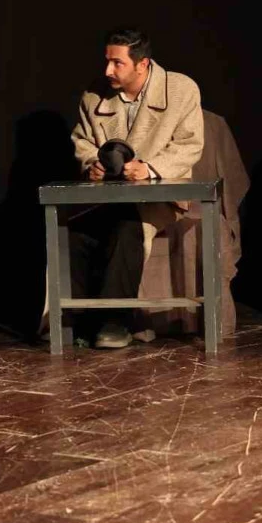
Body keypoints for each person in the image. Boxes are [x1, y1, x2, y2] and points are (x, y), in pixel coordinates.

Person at [69, 28, 204, 348]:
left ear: (142, 64)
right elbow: (82, 141)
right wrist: (93, 163)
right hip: (107, 197)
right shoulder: (94, 95)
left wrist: (150, 168)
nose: (108, 70)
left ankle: (115, 323)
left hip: (160, 197)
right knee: (75, 234)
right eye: (107, 61)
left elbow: (190, 145)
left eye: (117, 63)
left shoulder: (181, 89)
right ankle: (76, 323)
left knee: (128, 226)